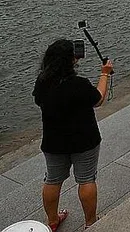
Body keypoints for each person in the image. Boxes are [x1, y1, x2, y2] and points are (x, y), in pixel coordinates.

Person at [33, 39, 114, 231]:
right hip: (84, 139)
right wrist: (104, 74)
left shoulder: (42, 82)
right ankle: (90, 223)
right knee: (86, 179)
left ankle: (52, 221)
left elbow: (39, 101)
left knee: (52, 180)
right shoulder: (79, 84)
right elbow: (98, 99)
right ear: (70, 60)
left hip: (53, 142)